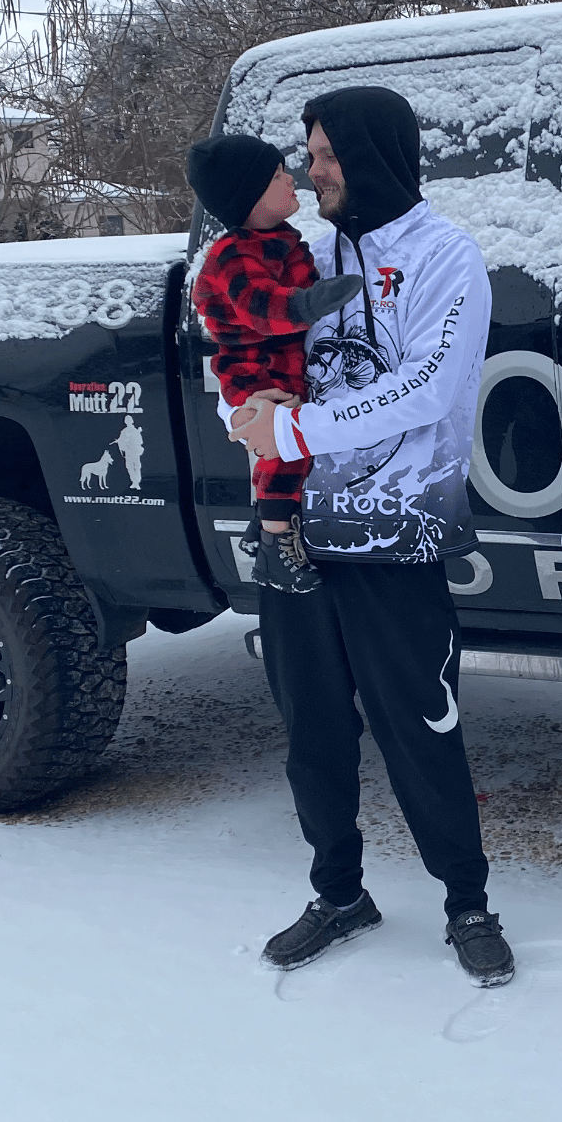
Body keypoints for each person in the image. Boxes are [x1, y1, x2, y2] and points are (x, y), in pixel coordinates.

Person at [223, 85, 514, 991]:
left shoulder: (445, 257)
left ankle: (466, 902)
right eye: (307, 157)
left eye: (323, 156)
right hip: (296, 534)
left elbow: (429, 385)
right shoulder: (302, 253)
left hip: (396, 529)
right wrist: (247, 409)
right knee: (311, 731)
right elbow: (239, 341)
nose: (310, 175)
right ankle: (339, 894)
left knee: (420, 728)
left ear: (371, 154)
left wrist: (298, 430)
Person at [186, 135, 360, 594]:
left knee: (283, 449)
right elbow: (261, 309)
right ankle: (274, 546)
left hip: (282, 362)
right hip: (255, 369)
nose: (293, 179)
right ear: (248, 197)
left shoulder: (277, 240)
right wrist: (310, 303)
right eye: (278, 176)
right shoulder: (233, 255)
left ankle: (262, 526)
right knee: (285, 451)